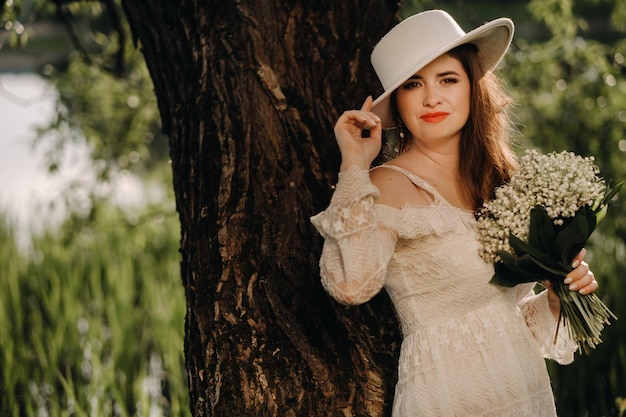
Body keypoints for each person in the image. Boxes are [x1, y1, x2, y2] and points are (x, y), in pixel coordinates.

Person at [310, 9, 599, 417]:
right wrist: (354, 167)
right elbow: (349, 285)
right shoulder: (388, 185)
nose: (432, 98)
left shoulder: (501, 182)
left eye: (448, 79)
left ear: (472, 87)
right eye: (414, 84)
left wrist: (558, 294)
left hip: (522, 390)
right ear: (399, 103)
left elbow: (509, 315)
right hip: (447, 392)